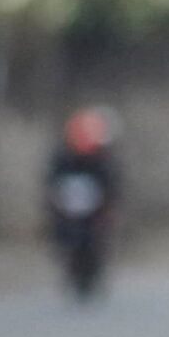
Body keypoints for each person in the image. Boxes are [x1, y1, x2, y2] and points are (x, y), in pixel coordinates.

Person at [46, 105, 120, 301]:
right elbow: (53, 183)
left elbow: (110, 184)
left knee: (97, 238)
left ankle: (93, 274)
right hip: (69, 207)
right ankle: (72, 272)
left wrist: (108, 206)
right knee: (66, 238)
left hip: (94, 207)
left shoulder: (101, 160)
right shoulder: (63, 159)